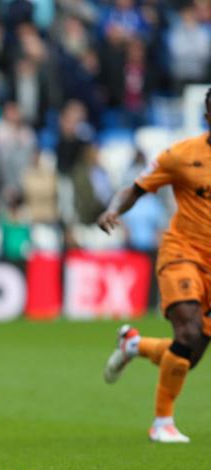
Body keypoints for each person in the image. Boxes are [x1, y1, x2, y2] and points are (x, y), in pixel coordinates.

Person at [98, 88, 211, 444]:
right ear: (207, 115)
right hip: (183, 253)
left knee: (188, 354)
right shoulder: (181, 155)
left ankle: (133, 345)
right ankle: (162, 422)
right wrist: (114, 209)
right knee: (189, 333)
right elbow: (136, 187)